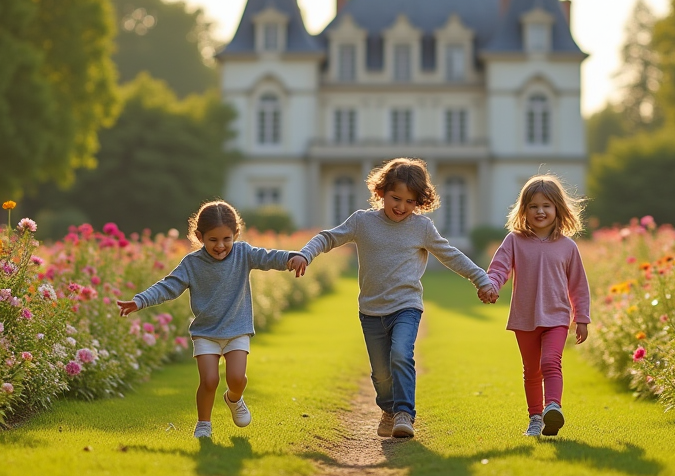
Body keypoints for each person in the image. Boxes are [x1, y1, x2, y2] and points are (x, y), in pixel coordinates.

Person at [288, 158, 496, 439]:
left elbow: (451, 255)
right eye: (395, 198)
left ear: (419, 202)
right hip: (371, 310)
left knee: (401, 354)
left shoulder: (421, 227)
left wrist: (481, 279)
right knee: (381, 374)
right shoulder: (362, 222)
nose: (401, 207)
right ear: (381, 192)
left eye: (410, 201)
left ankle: (404, 413)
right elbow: (328, 237)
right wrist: (305, 253)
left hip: (406, 307)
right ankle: (388, 409)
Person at [117, 201, 297, 439]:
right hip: (206, 332)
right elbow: (169, 286)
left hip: (237, 329)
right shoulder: (192, 264)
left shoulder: (243, 254)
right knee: (209, 380)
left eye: (226, 239)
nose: (220, 246)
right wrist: (140, 300)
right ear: (200, 236)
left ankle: (233, 399)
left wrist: (292, 258)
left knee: (236, 379)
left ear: (236, 234)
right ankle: (204, 424)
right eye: (213, 240)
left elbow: (268, 257)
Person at [484, 174, 590, 437]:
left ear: (557, 209)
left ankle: (553, 408)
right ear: (524, 210)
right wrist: (491, 287)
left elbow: (578, 285)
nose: (540, 211)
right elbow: (498, 269)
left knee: (551, 362)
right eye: (533, 206)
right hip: (525, 318)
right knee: (531, 370)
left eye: (546, 206)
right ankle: (535, 418)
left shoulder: (567, 247)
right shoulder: (514, 241)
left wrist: (582, 318)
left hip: (556, 317)